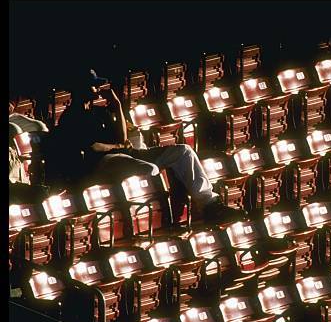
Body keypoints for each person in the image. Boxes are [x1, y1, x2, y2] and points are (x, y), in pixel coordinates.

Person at [47, 68, 243, 223]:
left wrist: (117, 108)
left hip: (127, 153)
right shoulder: (71, 118)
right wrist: (117, 147)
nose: (97, 90)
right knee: (151, 169)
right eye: (93, 87)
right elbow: (91, 148)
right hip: (102, 163)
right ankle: (163, 217)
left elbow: (122, 137)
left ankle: (209, 204)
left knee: (183, 151)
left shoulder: (100, 111)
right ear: (80, 89)